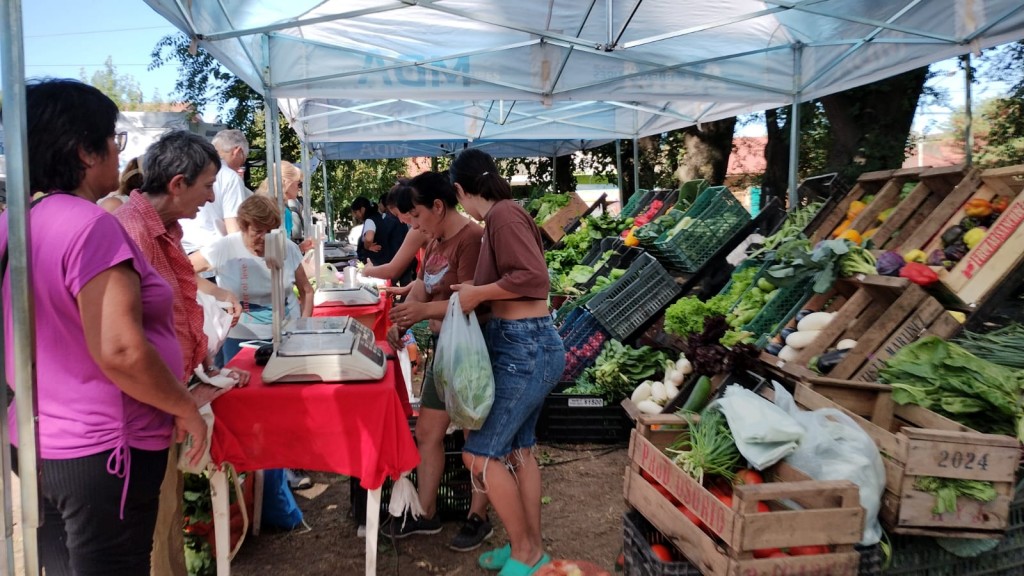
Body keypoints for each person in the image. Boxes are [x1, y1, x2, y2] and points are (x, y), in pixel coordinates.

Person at [0, 78, 208, 576]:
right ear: (85, 151)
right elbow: (120, 350)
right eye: (114, 140)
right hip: (106, 450)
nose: (120, 154)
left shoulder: (17, 221)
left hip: (39, 440)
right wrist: (185, 407)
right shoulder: (91, 225)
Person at [113, 130, 250, 576]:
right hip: (139, 411)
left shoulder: (166, 230)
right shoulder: (128, 232)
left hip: (165, 399)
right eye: (208, 186)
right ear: (177, 184)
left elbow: (178, 308)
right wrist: (179, 401)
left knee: (167, 519)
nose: (212, 199)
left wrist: (203, 363)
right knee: (151, 530)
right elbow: (126, 340)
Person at [450, 149, 565, 576]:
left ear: (461, 190)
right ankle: (530, 547)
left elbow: (534, 279)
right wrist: (474, 289)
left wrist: (479, 293)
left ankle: (526, 553)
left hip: (526, 348)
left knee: (478, 455)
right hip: (524, 345)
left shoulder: (503, 215)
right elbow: (514, 280)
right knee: (520, 450)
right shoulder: (504, 216)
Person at [382, 172, 494, 552]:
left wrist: (419, 311)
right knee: (428, 433)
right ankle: (426, 514)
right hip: (443, 352)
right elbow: (423, 284)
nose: (412, 224)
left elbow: (469, 302)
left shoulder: (472, 240)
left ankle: (478, 516)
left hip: (470, 357)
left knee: (473, 440)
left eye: (416, 215)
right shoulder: (436, 241)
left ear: (438, 207)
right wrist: (403, 314)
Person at [189, 194, 314, 366]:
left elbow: (306, 290)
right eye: (258, 231)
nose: (264, 237)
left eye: (269, 231)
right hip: (240, 339)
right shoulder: (224, 247)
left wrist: (302, 325)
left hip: (287, 335)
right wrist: (218, 293)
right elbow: (184, 270)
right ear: (244, 227)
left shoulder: (287, 247)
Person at [180, 128, 252, 255]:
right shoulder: (230, 177)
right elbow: (233, 229)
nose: (242, 164)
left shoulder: (191, 169)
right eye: (243, 159)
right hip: (212, 257)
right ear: (238, 151)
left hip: (182, 251)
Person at [362, 181, 422, 287]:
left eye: (398, 214)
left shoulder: (417, 230)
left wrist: (368, 270)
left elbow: (393, 270)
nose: (401, 220)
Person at [255, 160, 312, 251]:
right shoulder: (281, 211)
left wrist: (299, 248)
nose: (299, 188)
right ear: (287, 183)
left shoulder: (263, 204)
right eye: (299, 184)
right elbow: (279, 251)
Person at [350, 196, 383, 264]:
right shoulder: (378, 217)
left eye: (356, 212)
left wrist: (367, 247)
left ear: (362, 209)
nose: (355, 216)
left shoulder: (370, 220)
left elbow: (368, 238)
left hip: (373, 261)